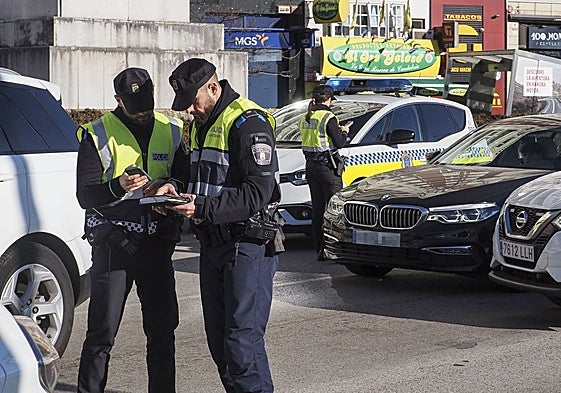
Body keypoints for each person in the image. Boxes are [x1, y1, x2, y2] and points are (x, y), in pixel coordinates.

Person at [157, 58, 283, 393]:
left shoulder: (248, 122)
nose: (190, 111)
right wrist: (174, 186)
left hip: (247, 244)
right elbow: (199, 173)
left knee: (242, 344)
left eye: (193, 102)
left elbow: (258, 192)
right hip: (212, 243)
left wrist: (201, 206)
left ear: (213, 87)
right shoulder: (203, 121)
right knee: (220, 344)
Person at [75, 67, 189, 393]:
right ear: (117, 100)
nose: (142, 111)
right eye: (133, 104)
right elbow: (85, 195)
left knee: (162, 332)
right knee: (101, 333)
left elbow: (184, 176)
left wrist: (169, 185)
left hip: (157, 242)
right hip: (114, 245)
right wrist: (118, 185)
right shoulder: (97, 133)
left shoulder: (173, 129)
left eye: (146, 102)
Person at [299, 84, 350, 261]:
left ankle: (320, 249)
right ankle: (334, 249)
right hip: (328, 168)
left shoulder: (306, 116)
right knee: (335, 209)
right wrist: (344, 132)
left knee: (318, 209)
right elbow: (340, 143)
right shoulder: (328, 117)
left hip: (311, 167)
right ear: (328, 99)